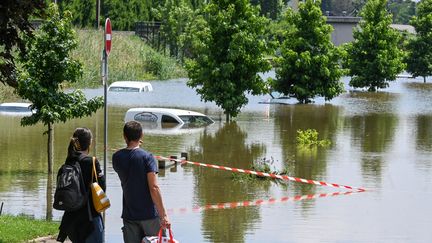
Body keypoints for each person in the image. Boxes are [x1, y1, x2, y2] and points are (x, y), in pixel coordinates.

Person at [113, 121, 171, 243]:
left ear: (124, 136)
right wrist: (164, 215)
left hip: (129, 215)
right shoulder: (147, 157)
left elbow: (128, 157)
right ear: (141, 136)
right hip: (149, 215)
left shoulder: (116, 157)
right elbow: (154, 187)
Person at [57, 127, 106, 243]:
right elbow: (102, 188)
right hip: (90, 218)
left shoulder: (69, 161)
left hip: (71, 218)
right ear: (90, 142)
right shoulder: (92, 162)